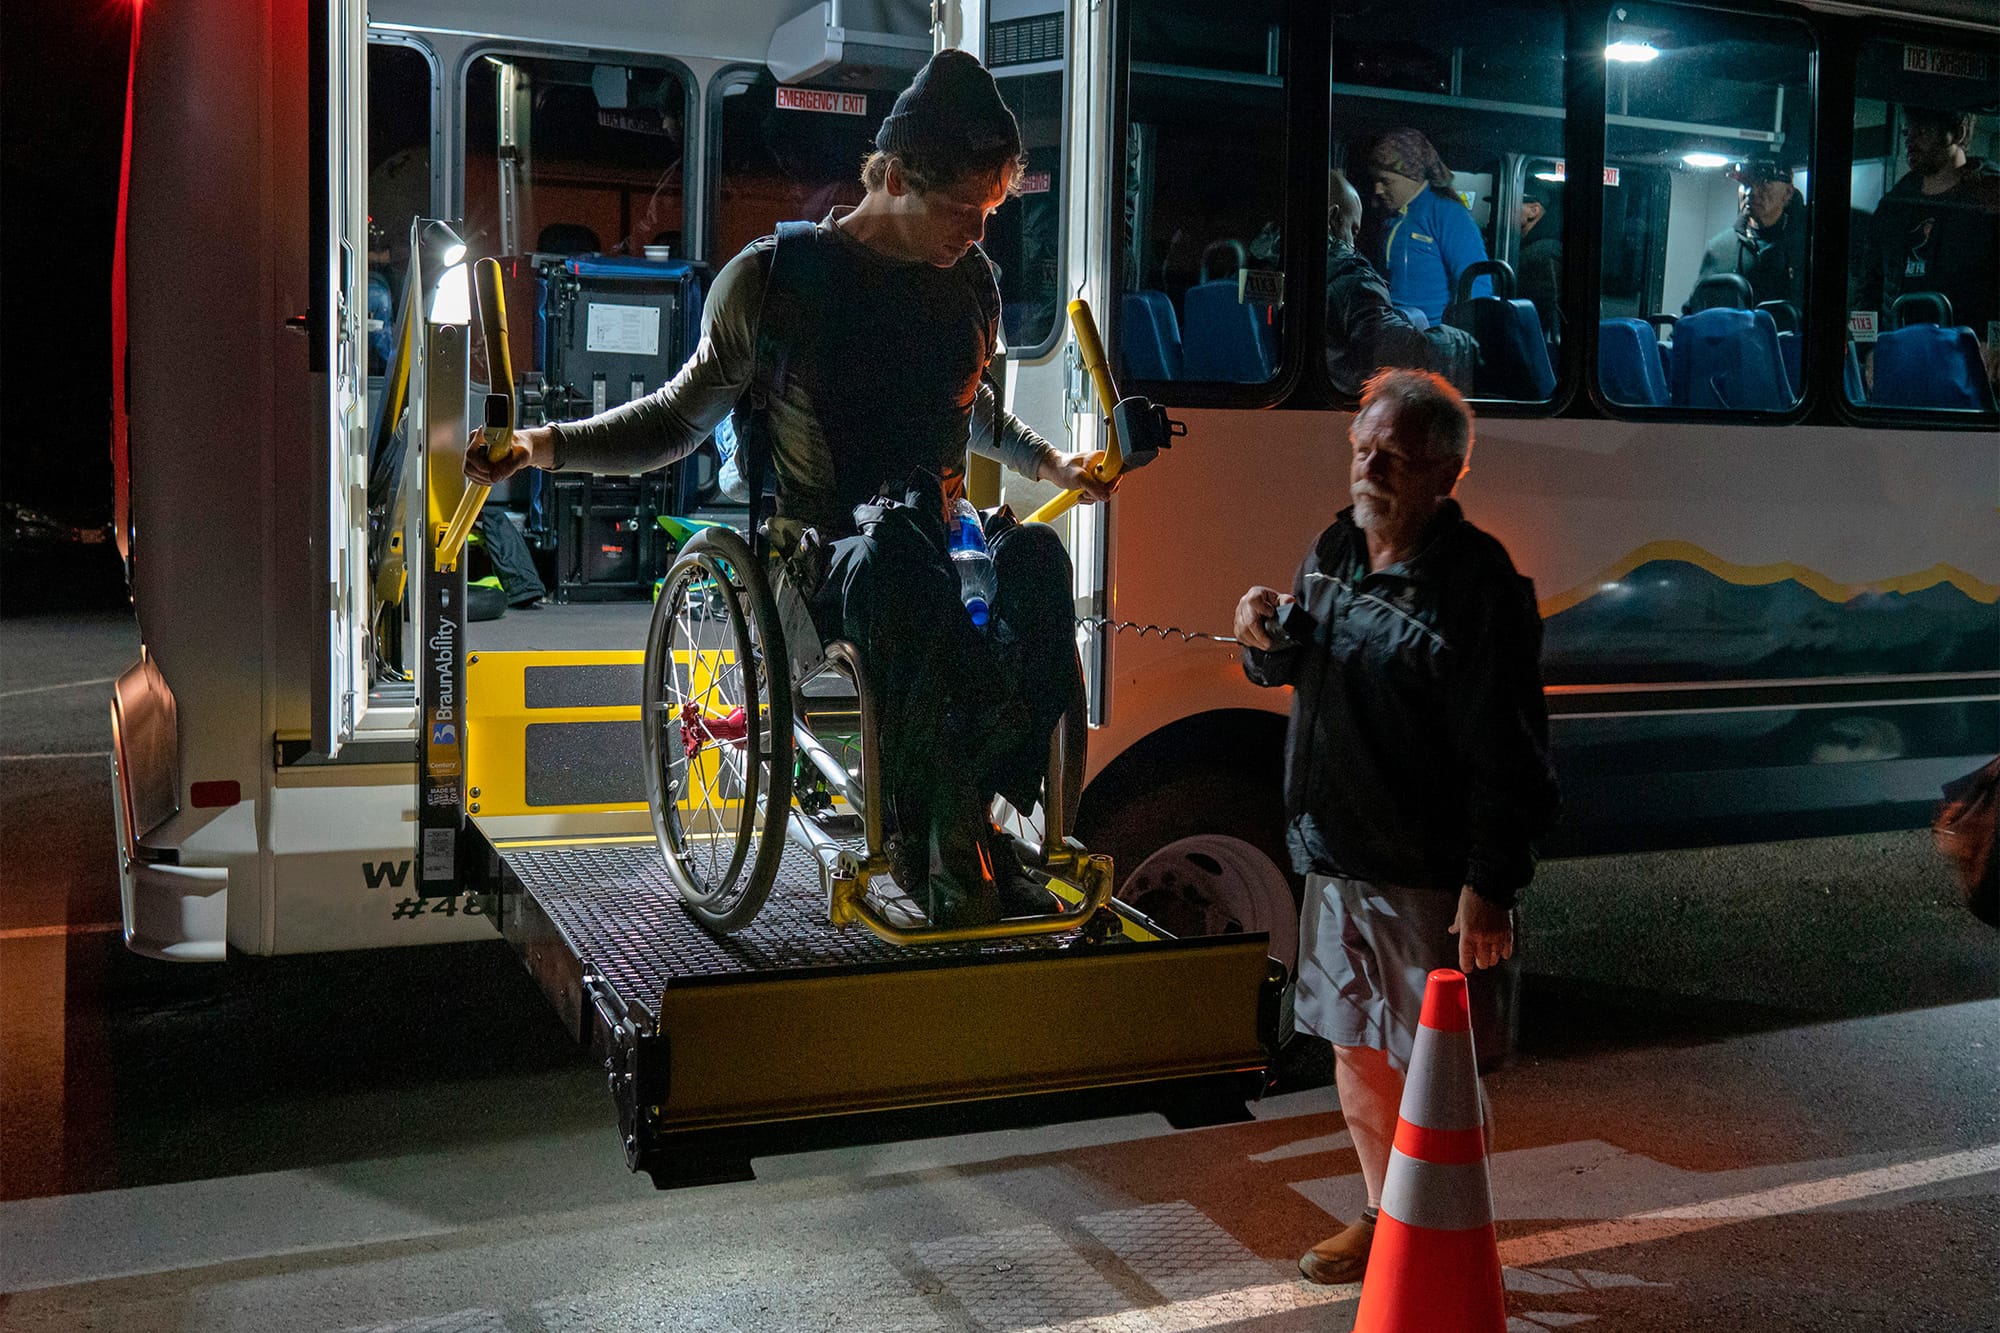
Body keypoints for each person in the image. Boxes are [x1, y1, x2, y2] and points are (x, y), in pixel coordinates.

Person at [466, 49, 1114, 927]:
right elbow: (673, 421)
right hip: (819, 559)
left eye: (990, 210)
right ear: (890, 177)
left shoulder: (970, 284)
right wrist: (542, 446)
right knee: (900, 564)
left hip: (941, 541)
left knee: (1035, 560)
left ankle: (983, 826)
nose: (978, 231)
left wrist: (1054, 465)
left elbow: (972, 404)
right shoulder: (773, 284)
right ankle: (940, 850)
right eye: (962, 209)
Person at [1232, 368, 1557, 1286]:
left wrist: (1491, 884)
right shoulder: (1336, 548)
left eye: (1395, 456)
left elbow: (1512, 749)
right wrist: (1262, 634)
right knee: (1355, 1049)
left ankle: (1452, 1246)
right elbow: (1296, 670)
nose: (1370, 467)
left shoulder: (1478, 584)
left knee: (1436, 1074)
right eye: (1362, 447)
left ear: (1445, 473)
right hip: (1336, 858)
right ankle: (1386, 1216)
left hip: (1426, 872)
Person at [1859, 105, 2000, 352]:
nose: (1911, 141)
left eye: (1922, 132)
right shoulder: (1893, 207)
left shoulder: (1989, 201)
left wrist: (1997, 341)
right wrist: (1868, 347)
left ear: (1958, 133)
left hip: (1967, 355)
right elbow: (1869, 286)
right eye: (1906, 133)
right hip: (1902, 352)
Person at [1364, 128, 1492, 325]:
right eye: (1377, 180)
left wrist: (1459, 338)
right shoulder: (1390, 218)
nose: (1378, 189)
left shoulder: (1448, 215)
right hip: (1393, 333)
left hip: (1431, 339)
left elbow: (1476, 282)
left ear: (1412, 176)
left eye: (1386, 181)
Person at [1324, 170, 1429, 396]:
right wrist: (1455, 343)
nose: (1353, 242)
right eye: (1353, 229)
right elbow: (1393, 351)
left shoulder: (1262, 259)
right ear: (1333, 219)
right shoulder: (1349, 278)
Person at [1695, 155, 1807, 311]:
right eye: (1746, 182)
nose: (1752, 192)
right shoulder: (1720, 249)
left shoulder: (1808, 247)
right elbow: (1695, 312)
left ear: (1788, 193)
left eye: (1765, 182)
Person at [1516, 179, 1562, 342]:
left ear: (1533, 211)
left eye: (1513, 202)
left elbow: (1545, 315)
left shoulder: (1543, 252)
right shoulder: (1529, 246)